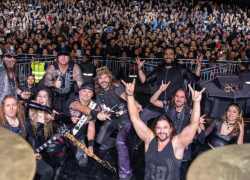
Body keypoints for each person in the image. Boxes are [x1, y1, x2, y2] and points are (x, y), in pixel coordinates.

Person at [122, 78, 205, 180]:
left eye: (165, 128)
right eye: (159, 128)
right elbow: (135, 118)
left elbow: (193, 125)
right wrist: (130, 95)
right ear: (155, 130)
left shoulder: (176, 144)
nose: (162, 131)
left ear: (171, 129)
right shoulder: (150, 140)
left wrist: (196, 102)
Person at [94, 66, 142, 180]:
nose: (104, 80)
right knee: (99, 141)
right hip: (112, 119)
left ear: (110, 78)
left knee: (120, 142)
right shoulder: (99, 92)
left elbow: (125, 96)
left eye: (106, 77)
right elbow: (99, 107)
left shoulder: (116, 87)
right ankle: (118, 143)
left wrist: (135, 101)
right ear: (97, 80)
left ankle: (126, 174)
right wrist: (100, 111)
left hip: (124, 119)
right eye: (101, 78)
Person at [136, 47, 203, 122]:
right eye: (166, 54)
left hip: (174, 105)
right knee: (141, 117)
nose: (168, 56)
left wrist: (199, 65)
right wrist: (139, 68)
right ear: (163, 56)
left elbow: (194, 78)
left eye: (171, 54)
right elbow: (145, 81)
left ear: (174, 56)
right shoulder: (159, 69)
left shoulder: (181, 69)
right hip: (159, 104)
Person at [0, 95, 53, 180]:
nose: (11, 108)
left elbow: (32, 139)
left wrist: (35, 152)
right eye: (8, 105)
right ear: (3, 108)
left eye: (14, 105)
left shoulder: (25, 122)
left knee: (48, 170)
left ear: (17, 106)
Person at [150, 81, 205, 161]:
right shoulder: (168, 106)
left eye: (182, 97)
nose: (179, 99)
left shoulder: (191, 112)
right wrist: (160, 90)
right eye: (177, 96)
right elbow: (152, 101)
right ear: (174, 97)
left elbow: (201, 138)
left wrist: (197, 122)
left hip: (182, 149)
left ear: (185, 99)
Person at [63, 82, 102, 168]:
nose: (86, 94)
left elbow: (91, 127)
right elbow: (82, 108)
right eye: (84, 91)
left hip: (77, 135)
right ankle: (63, 151)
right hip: (62, 133)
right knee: (51, 149)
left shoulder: (94, 107)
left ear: (92, 95)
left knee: (83, 162)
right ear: (80, 91)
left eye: (89, 92)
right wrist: (98, 114)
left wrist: (91, 145)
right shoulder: (73, 100)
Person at [44, 44, 84, 111]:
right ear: (58, 57)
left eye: (65, 55)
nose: (63, 58)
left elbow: (81, 84)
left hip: (70, 99)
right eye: (60, 55)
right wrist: (54, 83)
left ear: (69, 57)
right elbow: (46, 81)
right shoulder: (52, 68)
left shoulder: (75, 67)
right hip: (55, 99)